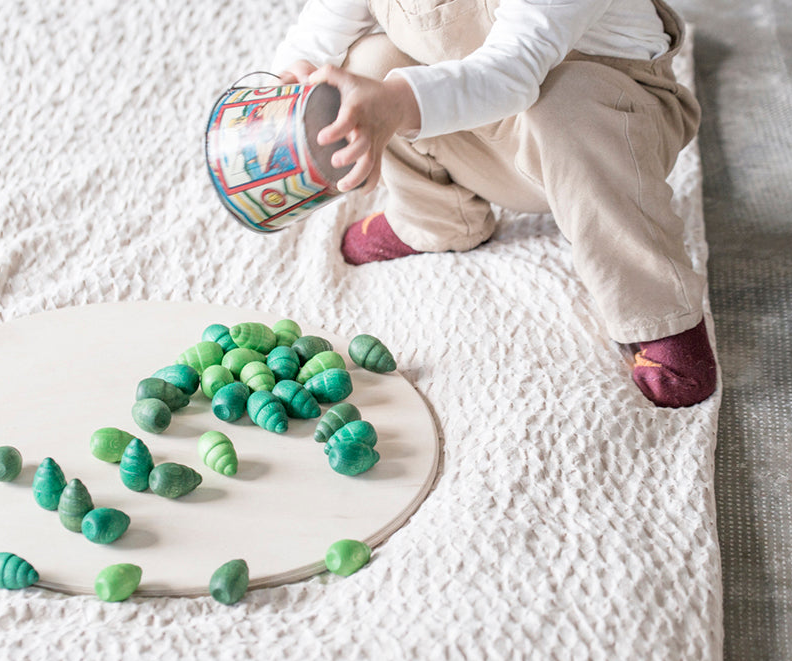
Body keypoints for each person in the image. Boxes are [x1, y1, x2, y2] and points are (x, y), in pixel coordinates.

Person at [271, 0, 717, 408]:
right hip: (482, 134)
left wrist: (392, 105)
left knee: (567, 102)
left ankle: (659, 315)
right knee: (365, 67)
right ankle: (437, 217)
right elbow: (316, 40)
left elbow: (512, 70)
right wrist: (280, 103)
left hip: (605, 134)